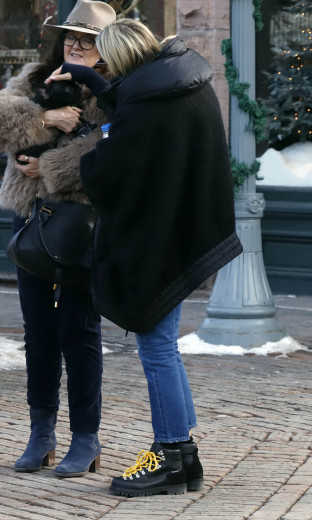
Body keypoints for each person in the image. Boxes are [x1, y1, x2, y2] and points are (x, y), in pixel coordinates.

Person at [48, 18, 242, 496]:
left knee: (155, 347)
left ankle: (171, 454)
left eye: (108, 64)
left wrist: (100, 140)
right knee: (165, 347)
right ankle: (186, 457)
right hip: (184, 232)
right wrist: (92, 82)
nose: (106, 71)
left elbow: (106, 173)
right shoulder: (181, 80)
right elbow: (135, 108)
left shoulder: (146, 107)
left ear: (125, 60)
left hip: (159, 243)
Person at [0, 0, 116, 478]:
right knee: (37, 331)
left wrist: (47, 166)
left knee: (78, 331)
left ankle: (85, 438)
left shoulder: (111, 93)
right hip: (30, 220)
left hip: (79, 226)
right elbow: (4, 114)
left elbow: (109, 155)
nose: (74, 45)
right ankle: (40, 432)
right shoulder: (34, 77)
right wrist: (45, 120)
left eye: (86, 40)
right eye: (70, 37)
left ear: (104, 50)